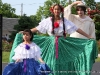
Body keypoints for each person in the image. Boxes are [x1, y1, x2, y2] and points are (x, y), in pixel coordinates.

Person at [9, 4, 97, 75]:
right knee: (50, 60)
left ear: (60, 11)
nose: (56, 11)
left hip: (62, 43)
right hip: (51, 43)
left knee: (61, 61)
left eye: (58, 9)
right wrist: (25, 32)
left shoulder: (64, 21)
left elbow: (76, 29)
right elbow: (37, 28)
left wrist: (88, 36)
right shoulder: (48, 20)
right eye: (55, 9)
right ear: (53, 10)